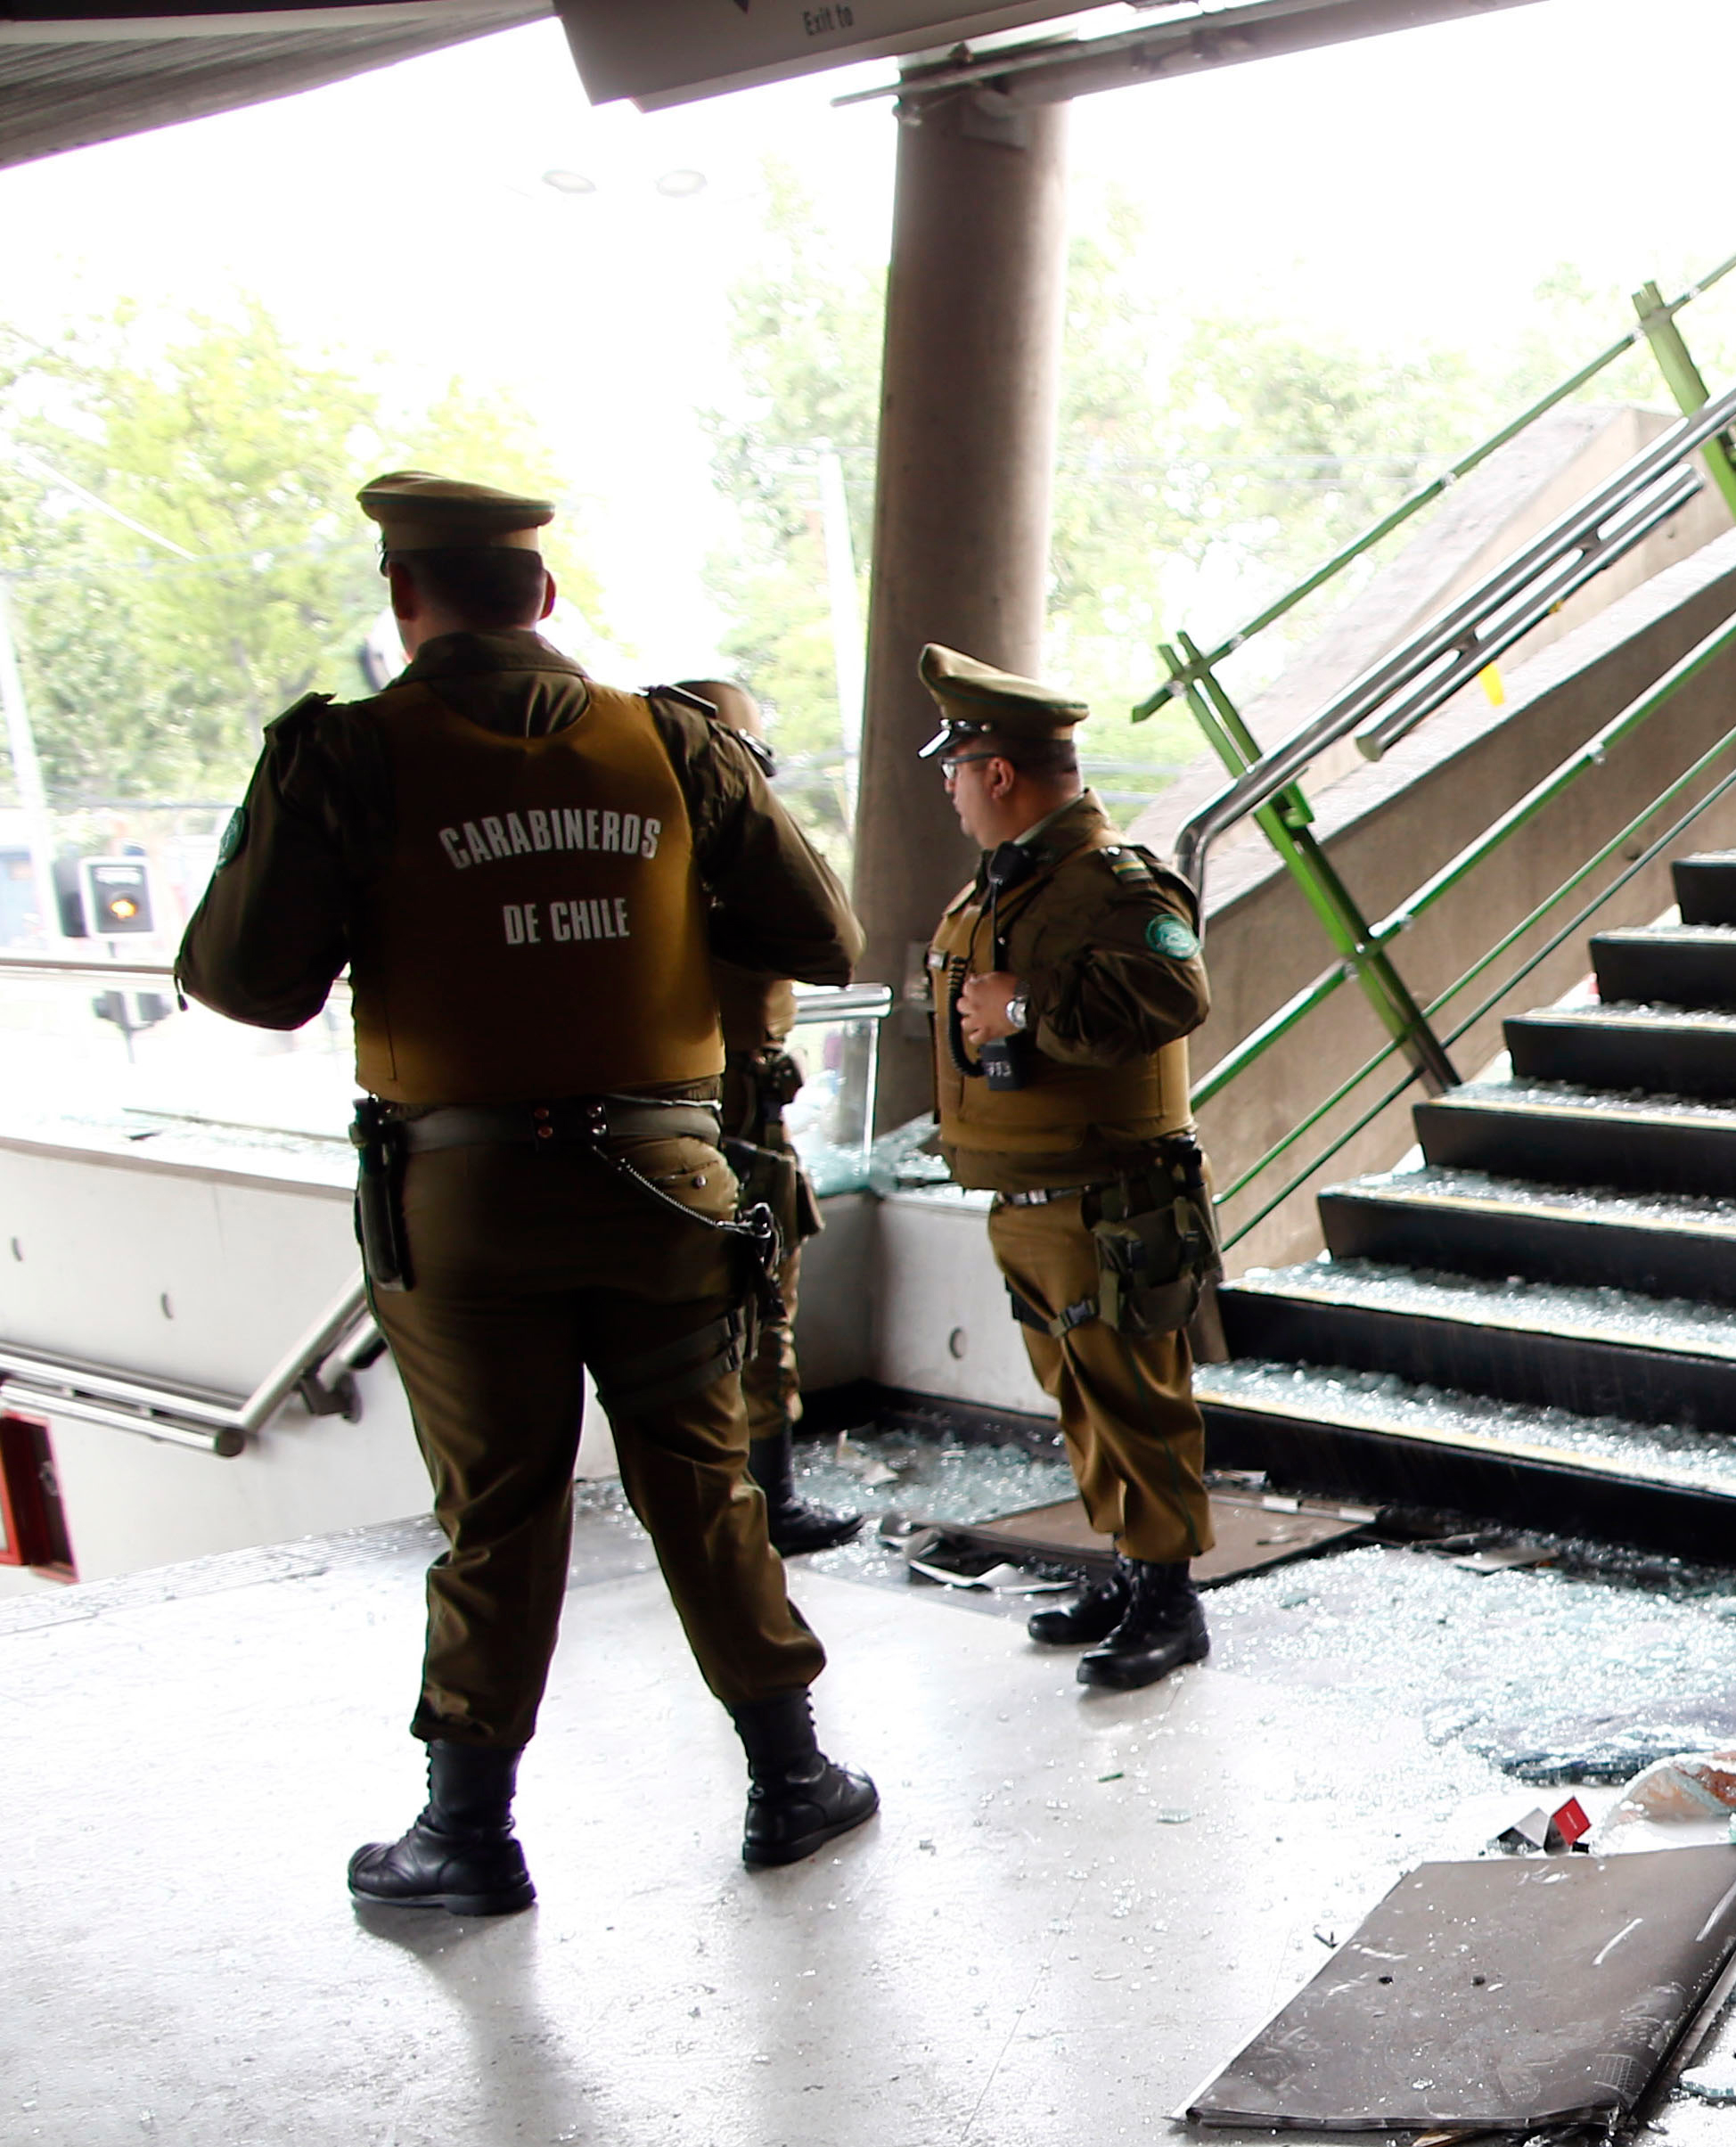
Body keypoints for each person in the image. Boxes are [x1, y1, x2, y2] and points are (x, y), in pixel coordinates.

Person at [175, 471, 884, 1910]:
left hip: (471, 1199)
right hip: (667, 1182)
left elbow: (247, 980)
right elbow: (822, 931)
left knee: (499, 1507)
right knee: (702, 1478)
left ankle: (470, 1832)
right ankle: (792, 1775)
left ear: (404, 600)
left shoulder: (350, 756)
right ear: (544, 598)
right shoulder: (674, 743)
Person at [916, 643, 1223, 1691]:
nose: (952, 794)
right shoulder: (1006, 889)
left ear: (997, 771)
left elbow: (1176, 999)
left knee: (1137, 1399)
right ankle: (1126, 1567)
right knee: (1083, 1403)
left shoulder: (1108, 884)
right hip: (1033, 1195)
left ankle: (1169, 1602)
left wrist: (1025, 1010)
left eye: (956, 771)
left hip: (1109, 1199)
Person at [672, 676, 861, 1557]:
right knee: (756, 1306)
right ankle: (766, 1500)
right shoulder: (723, 862)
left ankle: (738, 1495)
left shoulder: (643, 856)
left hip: (697, 1104)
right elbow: (829, 935)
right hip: (728, 1107)